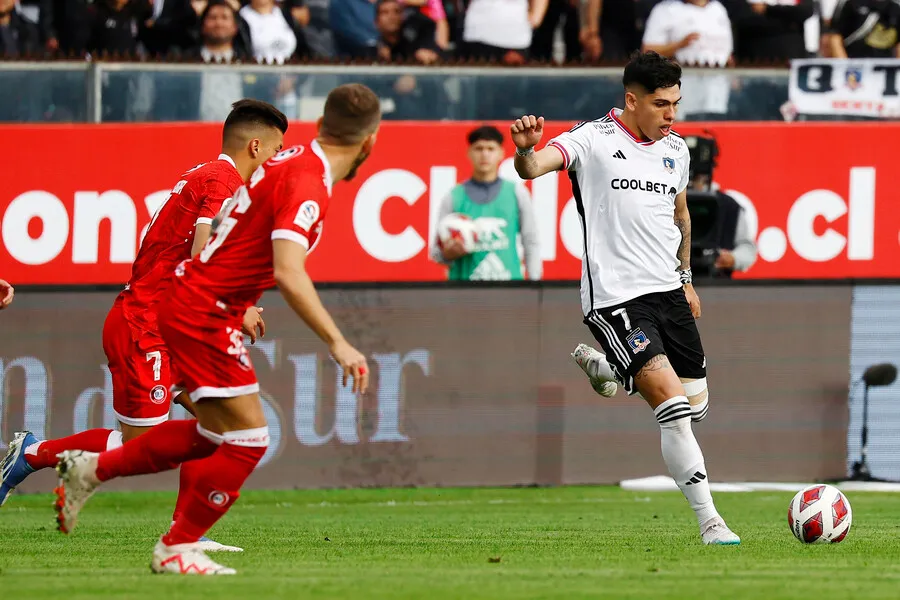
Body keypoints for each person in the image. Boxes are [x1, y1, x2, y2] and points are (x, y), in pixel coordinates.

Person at [53, 83, 380, 576]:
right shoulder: (308, 184)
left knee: (215, 434)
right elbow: (289, 271)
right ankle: (175, 546)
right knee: (249, 439)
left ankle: (92, 470)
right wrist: (339, 343)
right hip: (203, 308)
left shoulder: (288, 159)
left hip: (195, 301)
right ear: (370, 142)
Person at [1, 99, 287, 553]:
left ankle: (186, 535)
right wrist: (237, 307)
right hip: (146, 324)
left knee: (225, 424)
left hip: (175, 325)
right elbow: (201, 251)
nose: (275, 164)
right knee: (144, 445)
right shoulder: (223, 179)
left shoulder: (205, 175)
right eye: (276, 152)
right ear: (256, 145)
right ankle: (32, 454)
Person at [509, 50, 740, 546]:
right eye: (661, 104)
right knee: (674, 408)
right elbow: (533, 168)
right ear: (631, 100)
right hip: (616, 297)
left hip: (669, 293)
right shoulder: (592, 139)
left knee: (696, 407)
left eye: (676, 103)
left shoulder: (676, 149)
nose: (671, 114)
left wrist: (686, 277)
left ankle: (611, 369)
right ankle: (711, 522)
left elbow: (680, 215)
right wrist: (526, 151)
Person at [431, 125, 542, 281]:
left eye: (491, 149)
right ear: (469, 153)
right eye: (479, 148)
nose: (484, 154)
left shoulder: (516, 193)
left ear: (501, 153)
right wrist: (448, 254)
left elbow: (530, 241)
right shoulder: (453, 196)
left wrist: (534, 286)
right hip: (463, 294)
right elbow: (436, 252)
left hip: (509, 292)